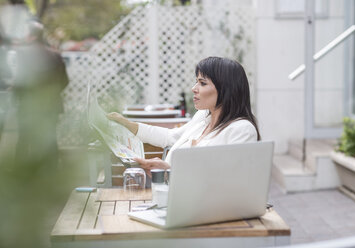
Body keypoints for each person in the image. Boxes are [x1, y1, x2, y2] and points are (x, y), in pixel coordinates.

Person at [107, 57, 260, 175]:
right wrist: (126, 123)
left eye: (202, 83)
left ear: (225, 89)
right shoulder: (203, 117)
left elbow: (226, 179)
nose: (194, 89)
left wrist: (170, 171)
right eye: (196, 82)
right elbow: (170, 137)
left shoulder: (242, 130)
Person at [13, 20, 69, 167]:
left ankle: (20, 172)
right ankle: (51, 172)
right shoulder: (55, 55)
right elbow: (65, 81)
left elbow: (19, 82)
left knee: (25, 140)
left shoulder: (23, 54)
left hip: (28, 107)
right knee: (50, 139)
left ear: (30, 36)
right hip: (51, 106)